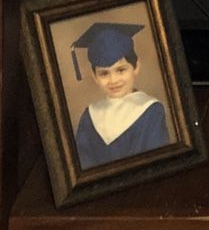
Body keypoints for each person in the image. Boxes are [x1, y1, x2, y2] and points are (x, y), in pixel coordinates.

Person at [68, 22, 170, 168]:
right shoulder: (89, 117)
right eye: (104, 73)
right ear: (94, 76)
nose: (113, 80)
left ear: (136, 67)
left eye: (121, 70)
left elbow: (156, 162)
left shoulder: (151, 111)